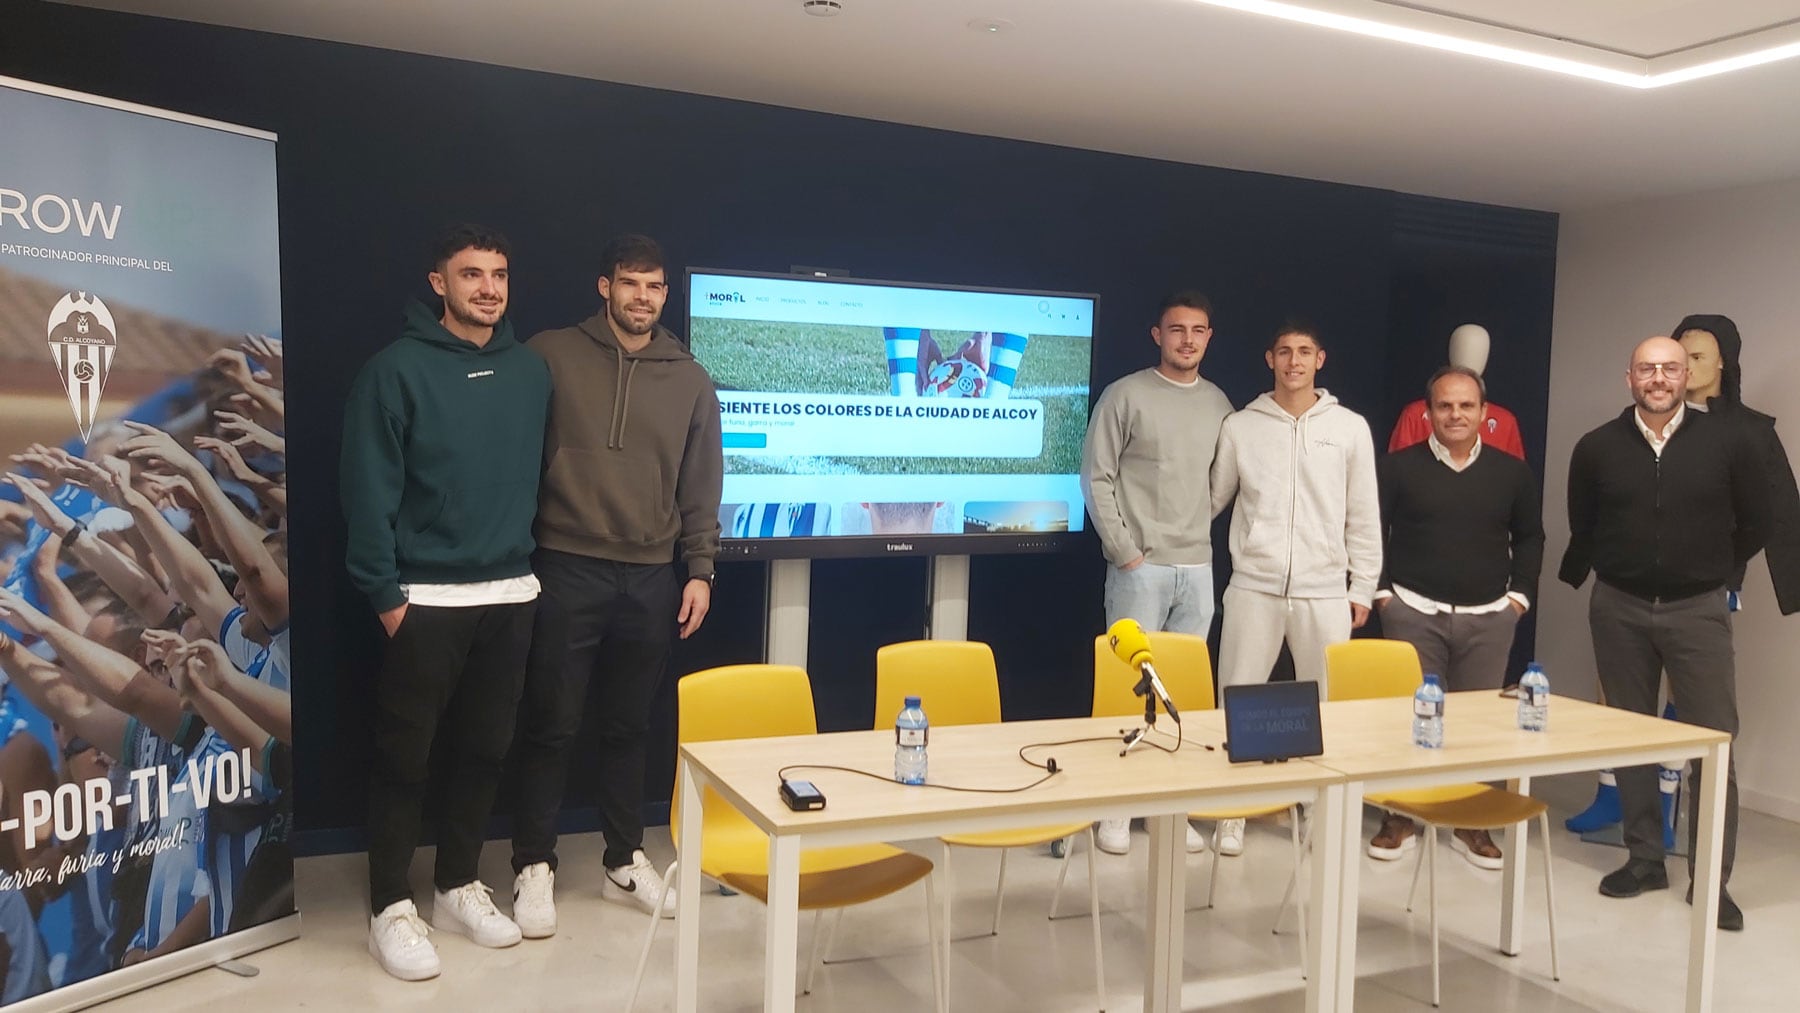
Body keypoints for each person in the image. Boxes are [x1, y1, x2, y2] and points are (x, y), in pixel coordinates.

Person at [341, 224, 550, 979]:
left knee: (486, 750)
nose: (488, 287)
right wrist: (386, 595)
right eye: (471, 274)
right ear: (439, 283)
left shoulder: (530, 372)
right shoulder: (394, 371)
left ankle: (460, 880)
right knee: (405, 759)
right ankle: (391, 907)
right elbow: (367, 494)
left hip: (511, 592)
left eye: (498, 273)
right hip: (423, 598)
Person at [508, 234, 723, 935]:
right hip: (565, 563)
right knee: (551, 722)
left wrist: (700, 569)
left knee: (631, 726)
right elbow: (513, 455)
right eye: (631, 283)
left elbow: (700, 482)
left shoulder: (689, 377)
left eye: (655, 287)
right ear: (605, 286)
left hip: (653, 575)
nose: (643, 297)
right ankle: (533, 864)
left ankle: (623, 857)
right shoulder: (548, 353)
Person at [1559, 336, 1766, 932]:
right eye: (1647, 368)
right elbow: (1585, 523)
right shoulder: (1596, 447)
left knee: (1715, 744)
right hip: (1618, 607)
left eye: (1670, 369)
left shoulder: (1730, 442)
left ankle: (1711, 881)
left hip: (1696, 609)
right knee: (1630, 737)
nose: (1659, 378)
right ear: (1629, 377)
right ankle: (1645, 858)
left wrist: (1716, 571)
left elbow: (1757, 520)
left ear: (1688, 378)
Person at [1211, 323, 1380, 854]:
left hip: (1325, 589)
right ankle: (1231, 811)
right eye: (1284, 352)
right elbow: (1212, 501)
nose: (1294, 361)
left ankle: (1320, 811)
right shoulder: (1241, 425)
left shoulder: (1350, 428)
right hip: (1254, 586)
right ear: (1269, 359)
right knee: (1235, 699)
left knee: (1325, 705)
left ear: (1320, 359)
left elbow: (1363, 512)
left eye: (1304, 352)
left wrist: (1364, 585)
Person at [1370, 366, 1543, 869]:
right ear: (1428, 414)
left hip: (1488, 616)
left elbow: (1531, 537)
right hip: (1412, 610)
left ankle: (1471, 820)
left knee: (1476, 726)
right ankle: (1402, 815)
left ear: (1484, 414)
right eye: (1445, 406)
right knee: (1413, 718)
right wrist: (1384, 596)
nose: (1456, 415)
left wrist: (1520, 600)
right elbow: (1370, 528)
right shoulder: (1398, 468)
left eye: (1467, 406)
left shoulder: (1512, 473)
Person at [1079, 291, 1232, 856]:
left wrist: (1194, 531)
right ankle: (1116, 812)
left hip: (1197, 568)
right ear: (1157, 335)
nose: (1187, 340)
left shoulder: (1219, 403)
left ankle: (1168, 811)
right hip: (1139, 569)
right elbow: (1096, 477)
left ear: (1209, 338)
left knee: (1181, 693)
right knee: (1129, 686)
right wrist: (1126, 551)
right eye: (1176, 330)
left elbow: (1220, 482)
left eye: (1197, 330)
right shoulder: (1126, 394)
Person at [1388, 324, 1526, 459]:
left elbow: (1514, 476)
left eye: (1479, 349)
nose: (1455, 414)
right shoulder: (1415, 414)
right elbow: (1397, 470)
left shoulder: (1505, 420)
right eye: (1445, 406)